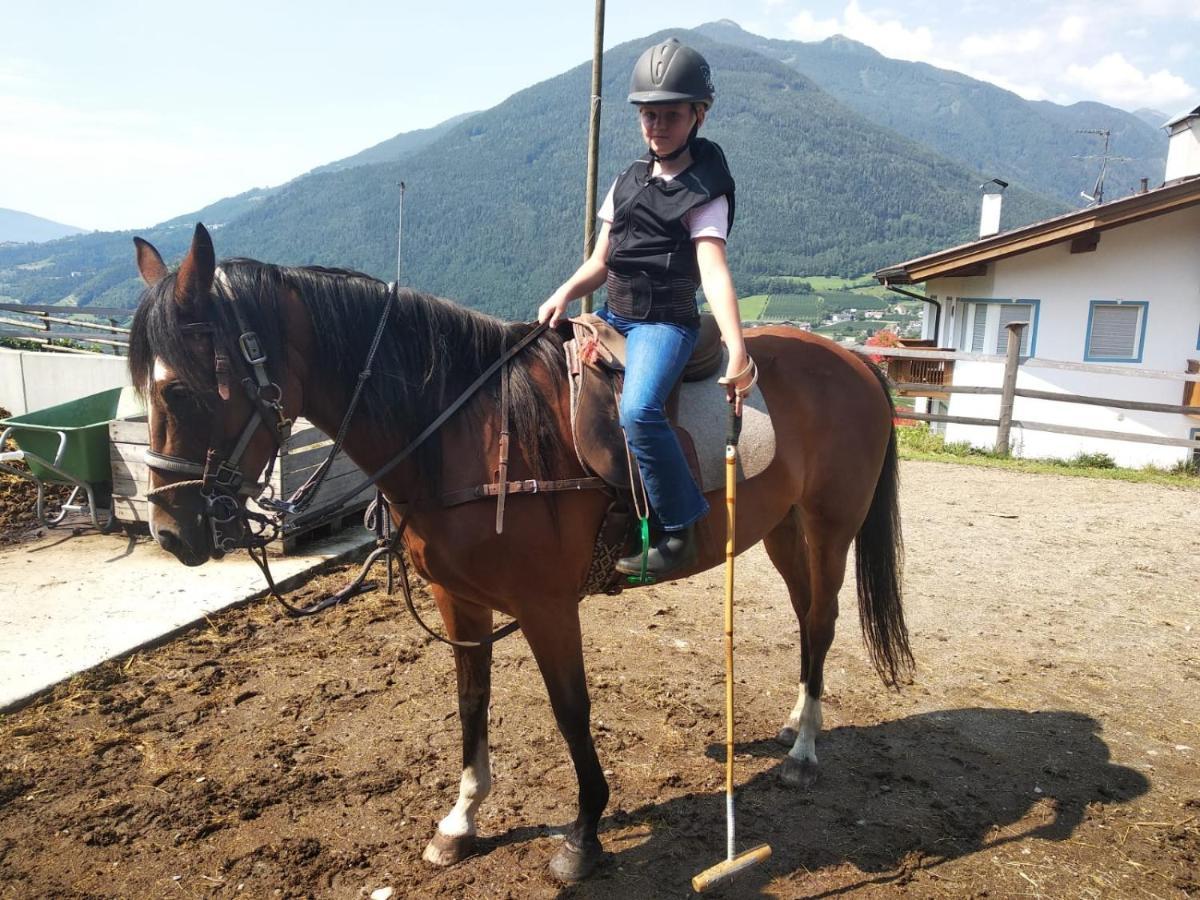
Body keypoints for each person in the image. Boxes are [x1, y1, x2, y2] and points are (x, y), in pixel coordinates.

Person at [538, 37, 755, 578]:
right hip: (613, 313)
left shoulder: (706, 191)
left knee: (639, 411)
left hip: (665, 322)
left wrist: (736, 345)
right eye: (648, 115)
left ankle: (679, 527)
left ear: (697, 115)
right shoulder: (628, 180)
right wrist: (564, 292)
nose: (657, 126)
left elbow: (712, 269)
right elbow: (600, 261)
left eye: (670, 115)